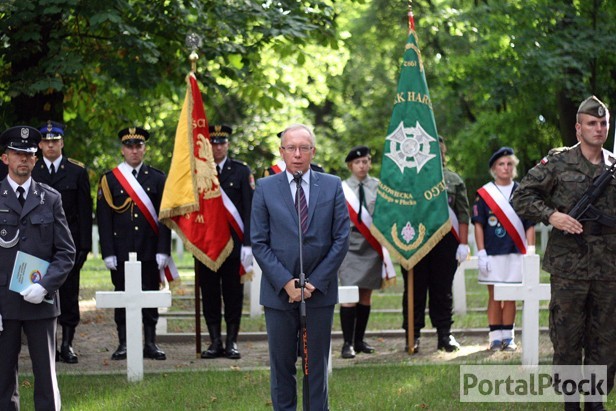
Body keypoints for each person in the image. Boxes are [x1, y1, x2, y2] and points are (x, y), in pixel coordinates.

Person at [512, 96, 614, 411]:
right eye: (592, 123)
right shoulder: (558, 162)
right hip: (569, 265)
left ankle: (595, 401)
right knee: (568, 335)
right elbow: (521, 195)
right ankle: (571, 400)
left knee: (606, 338)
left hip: (609, 266)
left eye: (603, 123)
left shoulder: (613, 164)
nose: (599, 129)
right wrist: (552, 215)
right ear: (578, 128)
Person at [251, 124, 349, 410]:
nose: (297, 154)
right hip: (279, 293)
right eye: (291, 148)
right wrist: (286, 283)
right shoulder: (265, 187)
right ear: (281, 152)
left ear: (313, 151)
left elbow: (341, 238)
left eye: (303, 148)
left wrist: (315, 282)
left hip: (319, 292)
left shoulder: (331, 185)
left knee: (315, 366)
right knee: (282, 367)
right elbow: (259, 241)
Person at [0, 126, 75, 410]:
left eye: (30, 154)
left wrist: (46, 284)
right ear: (5, 157)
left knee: (46, 377)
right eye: (18, 153)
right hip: (3, 302)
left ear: (36, 159)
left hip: (40, 300)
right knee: (3, 379)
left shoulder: (51, 198)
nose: (24, 159)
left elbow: (66, 252)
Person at [96, 127, 171, 361]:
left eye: (138, 146)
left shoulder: (158, 178)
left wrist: (163, 249)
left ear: (144, 148)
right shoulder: (109, 180)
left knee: (150, 297)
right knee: (122, 297)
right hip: (121, 251)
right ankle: (124, 343)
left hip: (149, 251)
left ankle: (150, 343)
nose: (134, 150)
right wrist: (107, 251)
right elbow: (104, 219)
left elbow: (165, 217)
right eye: (129, 146)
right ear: (122, 149)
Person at [401, 136, 470, 353]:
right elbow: (398, 210)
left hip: (445, 242)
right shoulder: (409, 179)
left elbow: (463, 214)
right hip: (415, 240)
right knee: (415, 289)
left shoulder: (454, 179)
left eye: (438, 151)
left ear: (443, 152)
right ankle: (413, 335)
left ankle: (444, 334)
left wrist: (464, 244)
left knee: (442, 290)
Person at [32, 121, 93, 364]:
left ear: (62, 143)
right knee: (41, 293)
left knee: (69, 295)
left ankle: (67, 344)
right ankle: (48, 346)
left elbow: (84, 212)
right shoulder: (33, 171)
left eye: (55, 141)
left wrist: (84, 247)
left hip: (67, 247)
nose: (50, 145)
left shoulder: (77, 171)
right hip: (39, 245)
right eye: (46, 141)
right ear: (39, 145)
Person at [197, 124, 254, 360]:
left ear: (228, 145)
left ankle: (232, 342)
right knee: (209, 295)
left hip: (234, 246)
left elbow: (250, 209)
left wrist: (249, 245)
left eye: (222, 143)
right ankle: (214, 342)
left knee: (233, 296)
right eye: (214, 143)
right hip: (207, 246)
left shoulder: (241, 171)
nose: (218, 147)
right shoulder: (199, 171)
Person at [472, 146, 535, 352]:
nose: (506, 168)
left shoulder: (522, 192)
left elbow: (529, 224)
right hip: (492, 253)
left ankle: (508, 336)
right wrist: (481, 252)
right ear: (494, 168)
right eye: (501, 164)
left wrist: (531, 251)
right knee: (494, 295)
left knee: (511, 295)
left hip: (516, 252)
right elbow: (479, 224)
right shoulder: (484, 194)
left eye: (509, 164)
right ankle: (494, 337)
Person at [338, 145, 381, 359]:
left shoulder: (378, 186)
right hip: (349, 245)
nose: (362, 165)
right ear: (350, 165)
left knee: (365, 293)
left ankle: (359, 340)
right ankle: (347, 343)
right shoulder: (341, 188)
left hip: (371, 245)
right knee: (348, 294)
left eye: (365, 161)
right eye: (357, 162)